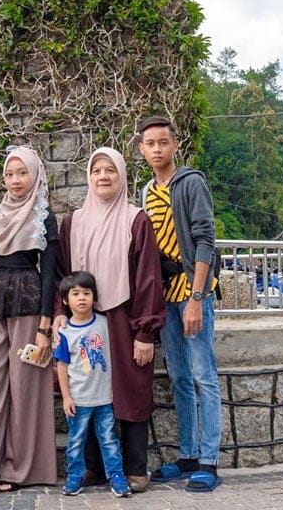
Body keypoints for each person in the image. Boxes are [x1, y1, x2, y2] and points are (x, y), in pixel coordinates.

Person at [54, 146, 165, 494]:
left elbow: (148, 277)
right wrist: (60, 313)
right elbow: (62, 274)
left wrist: (145, 332)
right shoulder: (72, 223)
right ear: (89, 177)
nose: (103, 176)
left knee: (132, 387)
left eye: (110, 170)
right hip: (83, 318)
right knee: (86, 386)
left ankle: (135, 467)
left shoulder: (136, 219)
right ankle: (94, 467)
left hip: (124, 318)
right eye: (97, 170)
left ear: (121, 176)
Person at [0, 146, 58, 501]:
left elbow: (48, 274)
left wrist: (45, 327)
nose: (16, 180)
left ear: (34, 175)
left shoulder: (44, 216)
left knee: (24, 390)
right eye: (9, 174)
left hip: (29, 309)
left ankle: (18, 469)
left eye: (22, 173)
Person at [137, 115, 222, 492]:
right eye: (150, 144)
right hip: (165, 294)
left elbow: (205, 240)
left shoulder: (190, 183)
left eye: (163, 142)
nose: (157, 149)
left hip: (192, 291)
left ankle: (210, 460)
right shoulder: (146, 191)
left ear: (175, 145)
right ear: (141, 149)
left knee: (204, 374)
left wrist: (196, 298)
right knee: (180, 377)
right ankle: (188, 455)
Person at [54, 270, 132, 498]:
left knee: (109, 439)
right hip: (78, 399)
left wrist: (116, 389)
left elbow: (114, 357)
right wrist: (66, 397)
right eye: (75, 294)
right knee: (76, 440)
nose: (81, 298)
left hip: (104, 397)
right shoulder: (65, 332)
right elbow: (61, 366)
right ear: (66, 301)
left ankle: (116, 475)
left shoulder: (106, 325)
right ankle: (75, 475)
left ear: (94, 297)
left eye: (86, 293)